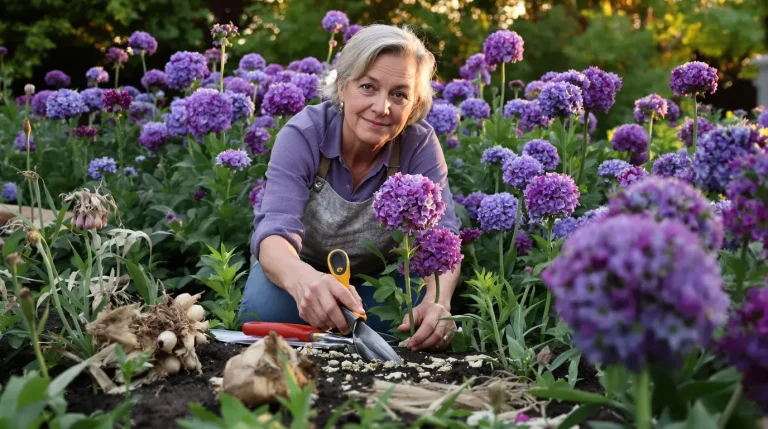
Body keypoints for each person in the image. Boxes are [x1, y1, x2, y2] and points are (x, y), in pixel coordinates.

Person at [240, 24, 461, 352]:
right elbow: (273, 234)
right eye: (368, 87)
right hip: (301, 270)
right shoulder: (304, 134)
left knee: (412, 326)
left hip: (380, 280)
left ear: (414, 103)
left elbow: (441, 238)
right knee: (263, 313)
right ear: (343, 87)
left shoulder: (418, 144)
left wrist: (438, 303)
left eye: (399, 94)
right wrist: (306, 282)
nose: (382, 107)